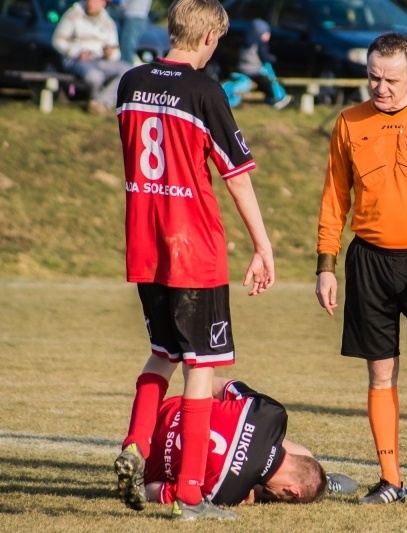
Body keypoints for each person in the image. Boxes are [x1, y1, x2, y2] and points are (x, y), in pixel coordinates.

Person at [113, 0, 275, 521]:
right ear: (209, 37)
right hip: (193, 247)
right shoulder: (205, 90)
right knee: (202, 367)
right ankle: (189, 494)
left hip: (146, 243)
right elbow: (237, 174)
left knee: (162, 351)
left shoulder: (130, 83)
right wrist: (262, 245)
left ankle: (135, 444)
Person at [314, 32, 407, 509]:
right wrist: (326, 265)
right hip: (369, 262)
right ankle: (390, 480)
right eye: (373, 77)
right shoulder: (349, 122)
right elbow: (335, 199)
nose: (380, 88)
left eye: (391, 80)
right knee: (381, 376)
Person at [142, 376, 354, 508]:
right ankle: (311, 483)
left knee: (298, 454)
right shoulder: (228, 494)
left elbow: (217, 383)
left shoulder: (272, 413)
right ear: (292, 490)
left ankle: (314, 477)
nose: (278, 499)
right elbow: (151, 489)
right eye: (282, 498)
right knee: (256, 487)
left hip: (166, 409)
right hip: (146, 460)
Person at [52, 0, 132, 114]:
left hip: (100, 60)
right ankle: (98, 104)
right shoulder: (73, 15)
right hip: (77, 60)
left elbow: (115, 51)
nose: (91, 4)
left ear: (103, 3)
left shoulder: (108, 22)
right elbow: (57, 40)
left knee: (128, 71)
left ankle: (99, 103)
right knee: (95, 76)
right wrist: (76, 52)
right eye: (89, 0)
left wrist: (110, 54)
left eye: (95, 1)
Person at [237, 18, 292, 110]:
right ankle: (275, 98)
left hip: (242, 70)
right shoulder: (260, 44)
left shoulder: (245, 43)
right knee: (268, 82)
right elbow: (264, 56)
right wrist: (271, 58)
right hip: (254, 71)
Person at [118, 0, 153, 64]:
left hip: (134, 17)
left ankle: (125, 71)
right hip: (136, 17)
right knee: (128, 49)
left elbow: (121, 4)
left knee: (127, 49)